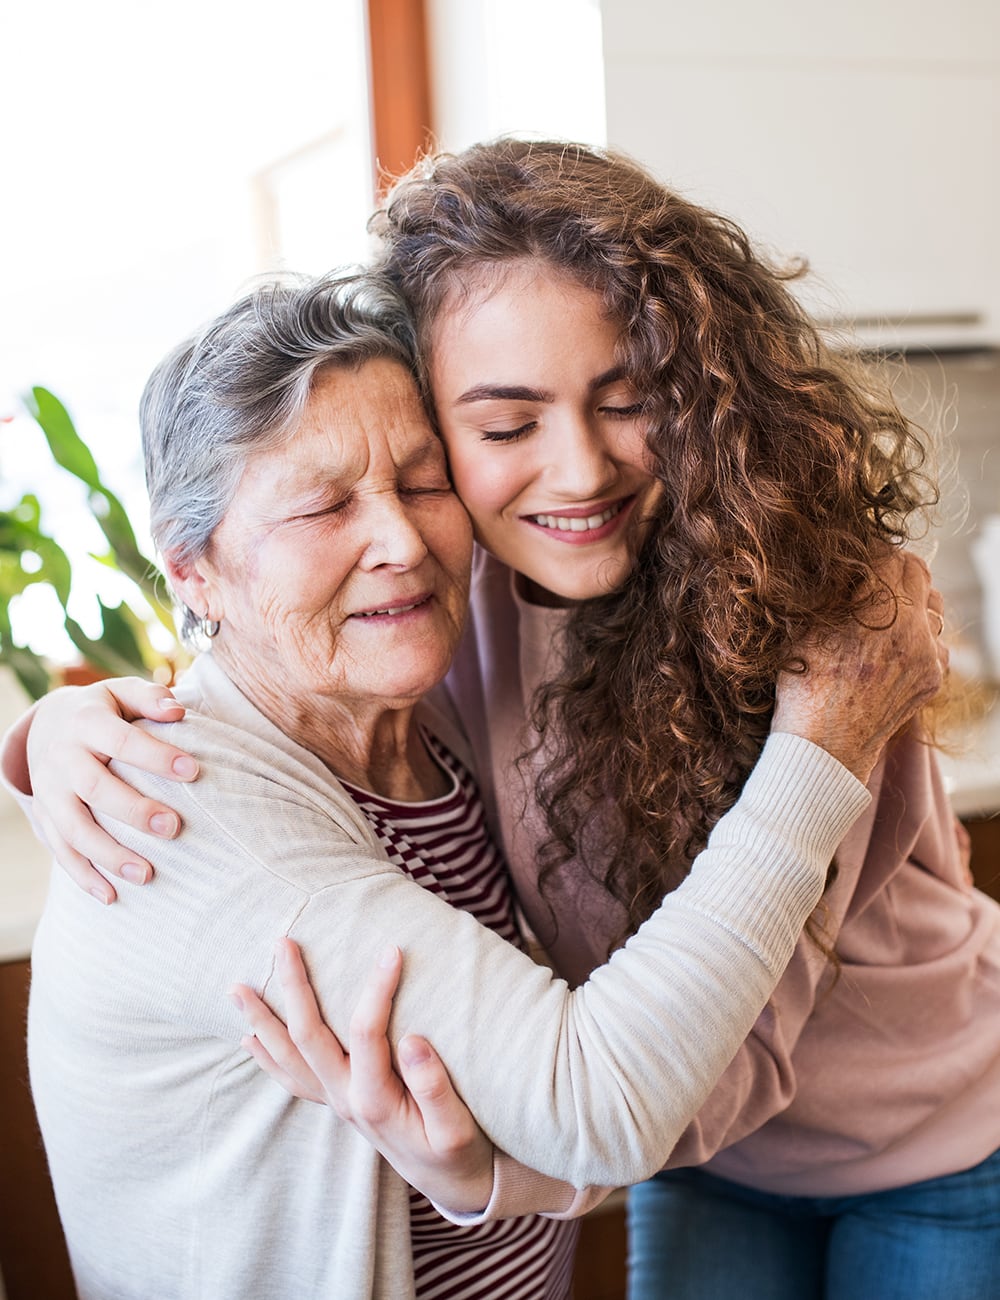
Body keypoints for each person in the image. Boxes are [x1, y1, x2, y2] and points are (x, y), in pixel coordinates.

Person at [5, 139, 988, 1298]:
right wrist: (47, 741)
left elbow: (730, 1057)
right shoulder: (440, 625)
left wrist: (494, 1173)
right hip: (695, 1155)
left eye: (626, 402)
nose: (573, 470)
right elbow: (262, 670)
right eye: (505, 428)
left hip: (926, 1141)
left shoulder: (811, 628)